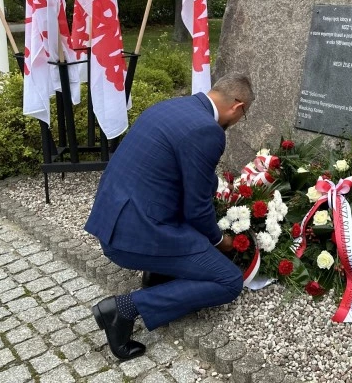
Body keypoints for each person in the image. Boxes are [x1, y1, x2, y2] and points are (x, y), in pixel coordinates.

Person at [85, 72, 254, 361]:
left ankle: (158, 272)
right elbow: (197, 210)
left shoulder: (171, 107)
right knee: (228, 281)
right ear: (237, 106)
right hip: (135, 233)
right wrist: (221, 241)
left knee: (195, 248)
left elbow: (175, 174)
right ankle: (122, 310)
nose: (238, 123)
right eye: (243, 116)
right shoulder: (208, 130)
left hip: (115, 217)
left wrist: (220, 187)